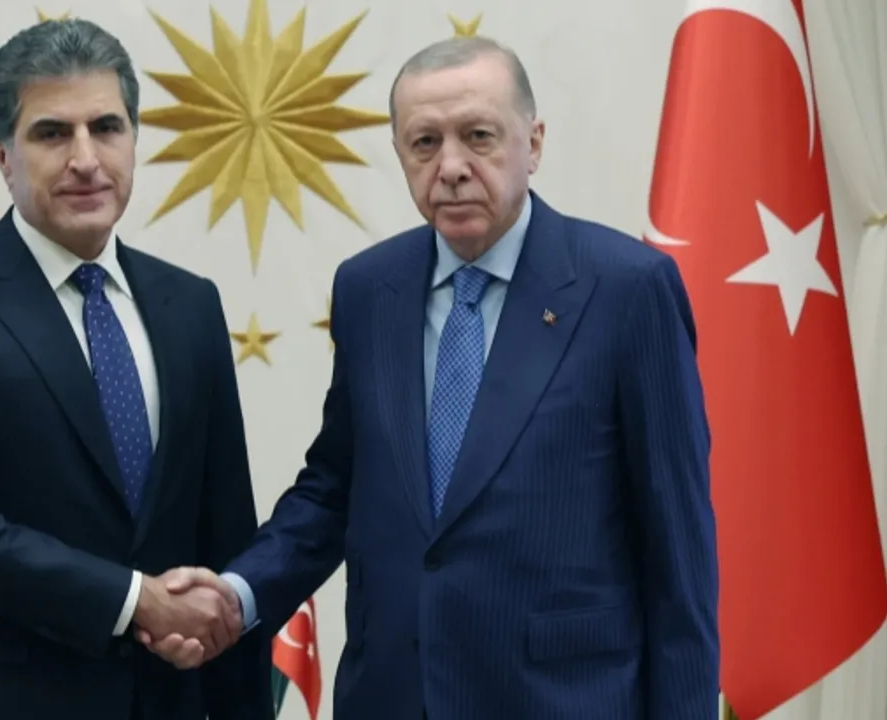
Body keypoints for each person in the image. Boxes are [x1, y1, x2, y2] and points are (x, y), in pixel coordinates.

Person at [141, 36, 720, 718]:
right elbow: (335, 490)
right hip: (393, 695)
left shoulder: (626, 289)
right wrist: (238, 596)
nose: (450, 168)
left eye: (478, 137)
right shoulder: (368, 290)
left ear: (533, 144)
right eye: (424, 143)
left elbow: (678, 549)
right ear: (400, 153)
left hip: (560, 699)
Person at [0, 18, 272, 720]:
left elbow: (224, 529)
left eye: (106, 128)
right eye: (52, 133)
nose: (86, 159)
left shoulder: (190, 304)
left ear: (134, 138)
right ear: (2, 154)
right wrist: (134, 600)